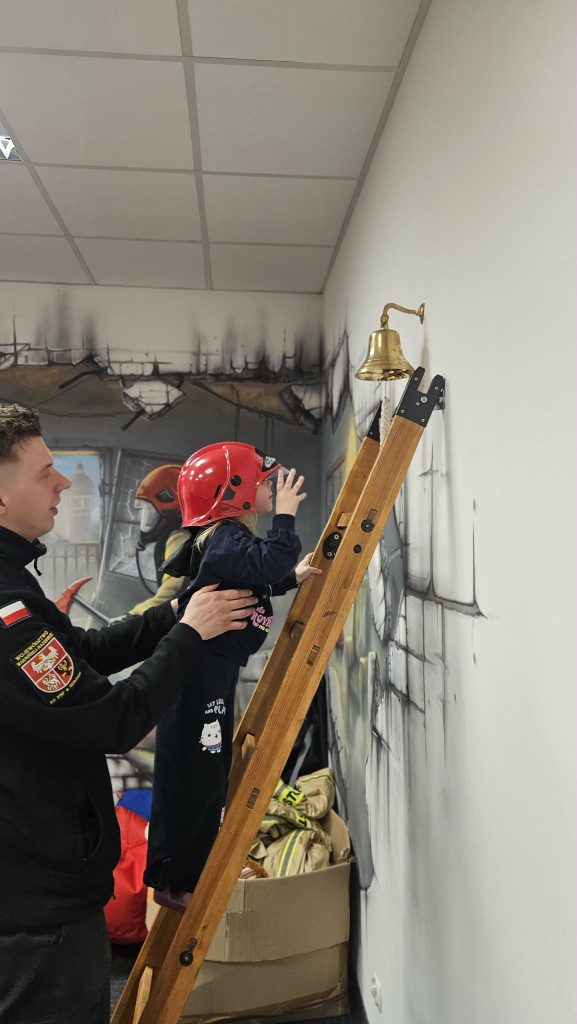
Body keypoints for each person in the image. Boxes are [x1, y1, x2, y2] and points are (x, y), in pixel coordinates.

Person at [0, 405, 258, 1024]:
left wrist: (176, 614)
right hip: (37, 917)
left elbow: (83, 652)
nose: (64, 482)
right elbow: (111, 720)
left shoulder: (14, 580)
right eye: (44, 473)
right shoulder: (6, 610)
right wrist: (191, 635)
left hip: (40, 889)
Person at [144, 442, 321, 906]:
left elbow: (257, 575)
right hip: (201, 681)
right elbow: (265, 562)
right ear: (233, 491)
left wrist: (292, 577)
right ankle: (183, 880)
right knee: (198, 777)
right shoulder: (224, 537)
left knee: (200, 774)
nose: (270, 487)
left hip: (208, 677)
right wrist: (285, 518)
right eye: (262, 482)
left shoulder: (224, 542)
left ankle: (181, 874)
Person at [129, 463, 189, 615]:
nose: (142, 516)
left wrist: (133, 616)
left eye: (147, 508)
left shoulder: (178, 539)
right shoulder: (173, 537)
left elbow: (171, 593)